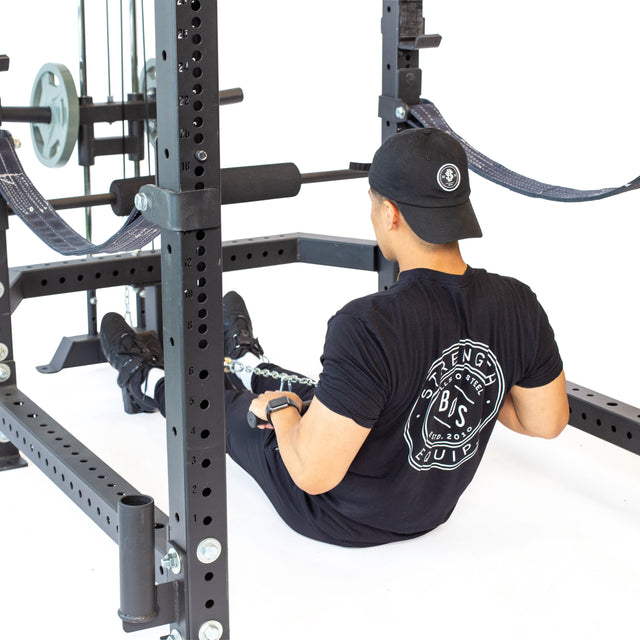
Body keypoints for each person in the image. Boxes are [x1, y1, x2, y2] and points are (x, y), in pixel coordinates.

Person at [100, 128, 569, 548]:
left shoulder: (368, 323)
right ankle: (246, 358)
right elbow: (545, 421)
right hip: (430, 513)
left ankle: (146, 380)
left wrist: (280, 413)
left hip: (336, 517)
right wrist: (488, 384)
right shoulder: (518, 303)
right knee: (336, 394)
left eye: (371, 204)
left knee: (227, 409)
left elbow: (310, 472)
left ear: (389, 214)